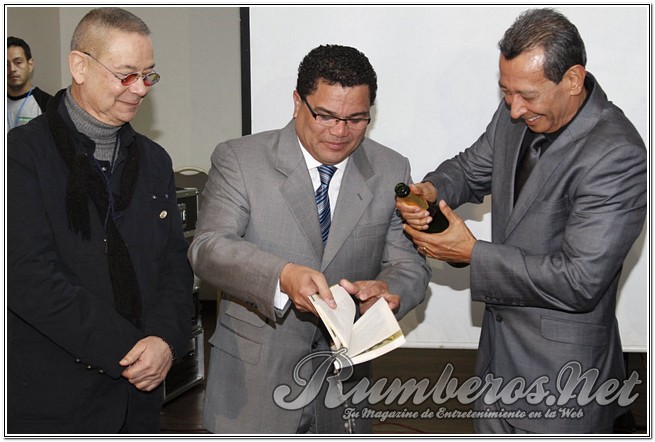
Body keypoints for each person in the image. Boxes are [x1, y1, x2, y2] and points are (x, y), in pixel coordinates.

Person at [396, 8, 646, 434]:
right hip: (496, 367)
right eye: (505, 92)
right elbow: (470, 169)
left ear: (573, 79)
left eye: (527, 95)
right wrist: (431, 191)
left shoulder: (616, 153)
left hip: (565, 383)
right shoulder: (517, 114)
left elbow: (580, 281)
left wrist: (473, 254)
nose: (513, 109)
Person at [188, 44, 431, 434]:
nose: (340, 132)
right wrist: (282, 277)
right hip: (254, 386)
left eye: (356, 119)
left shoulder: (391, 168)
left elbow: (410, 263)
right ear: (297, 102)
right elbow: (209, 248)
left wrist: (390, 291)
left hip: (345, 385)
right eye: (326, 116)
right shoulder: (241, 160)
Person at [7, 8, 194, 434]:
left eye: (147, 75)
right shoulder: (21, 156)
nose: (140, 89)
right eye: (126, 75)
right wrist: (129, 348)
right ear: (79, 66)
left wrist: (165, 341)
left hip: (140, 397)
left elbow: (173, 264)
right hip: (54, 397)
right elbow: (27, 276)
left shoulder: (153, 160)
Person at [7, 36, 53, 131]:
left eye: (18, 62)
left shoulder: (48, 104)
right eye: (5, 64)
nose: (12, 69)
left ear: (30, 65)